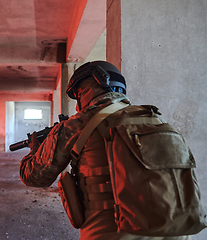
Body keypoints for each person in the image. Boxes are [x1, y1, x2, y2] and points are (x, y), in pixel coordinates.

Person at [19, 61, 191, 240]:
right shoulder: (155, 119)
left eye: (78, 94)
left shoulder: (76, 124)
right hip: (175, 231)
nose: (78, 105)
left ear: (89, 88)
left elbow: (34, 176)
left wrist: (34, 151)